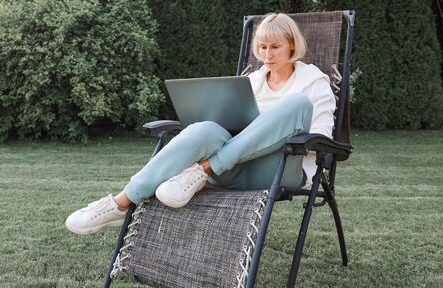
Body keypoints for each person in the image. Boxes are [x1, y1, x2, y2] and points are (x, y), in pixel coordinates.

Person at [66, 13, 336, 235]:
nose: (267, 54)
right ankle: (120, 202)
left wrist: (271, 131)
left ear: (292, 45)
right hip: (234, 168)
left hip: (281, 168)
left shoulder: (313, 82)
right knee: (205, 129)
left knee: (295, 105)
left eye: (275, 46)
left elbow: (321, 139)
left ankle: (203, 168)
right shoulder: (250, 82)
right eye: (262, 47)